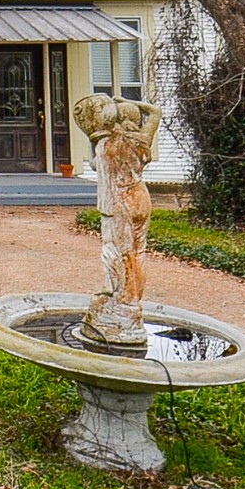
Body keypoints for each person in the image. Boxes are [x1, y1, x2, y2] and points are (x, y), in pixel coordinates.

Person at [72, 94, 161, 349]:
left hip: (120, 203)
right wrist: (128, 104)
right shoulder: (140, 142)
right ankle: (130, 300)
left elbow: (92, 160)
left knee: (118, 252)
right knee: (137, 252)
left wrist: (98, 128)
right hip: (140, 199)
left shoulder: (107, 145)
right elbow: (154, 113)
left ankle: (123, 302)